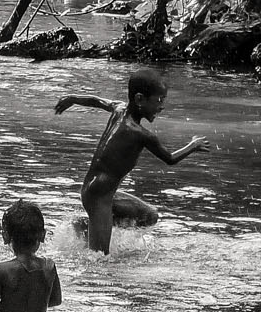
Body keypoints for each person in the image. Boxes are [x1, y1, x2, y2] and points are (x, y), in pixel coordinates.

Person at [54, 68, 206, 255]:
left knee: (149, 216)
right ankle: (94, 226)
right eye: (158, 100)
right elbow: (170, 159)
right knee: (99, 259)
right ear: (140, 99)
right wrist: (193, 145)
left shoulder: (119, 109)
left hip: (103, 192)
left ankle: (87, 226)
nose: (161, 107)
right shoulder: (140, 134)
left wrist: (73, 98)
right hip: (98, 197)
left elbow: (97, 101)